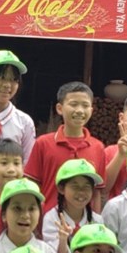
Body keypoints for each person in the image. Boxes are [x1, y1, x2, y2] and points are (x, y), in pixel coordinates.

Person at [25, 81, 106, 210]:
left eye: (85, 105)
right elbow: (32, 185)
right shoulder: (43, 143)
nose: (79, 110)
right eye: (73, 104)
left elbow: (96, 192)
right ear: (59, 108)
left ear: (91, 110)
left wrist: (95, 219)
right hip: (49, 218)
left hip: (85, 220)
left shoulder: (98, 147)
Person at [41, 158, 103, 253]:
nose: (81, 192)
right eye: (75, 186)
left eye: (86, 187)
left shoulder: (97, 220)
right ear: (61, 188)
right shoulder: (52, 218)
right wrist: (63, 241)